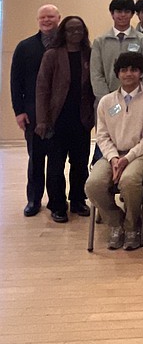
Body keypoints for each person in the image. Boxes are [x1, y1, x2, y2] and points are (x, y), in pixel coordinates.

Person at [85, 52, 143, 251]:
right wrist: (113, 159)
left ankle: (132, 226)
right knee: (93, 185)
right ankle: (115, 221)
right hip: (111, 154)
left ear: (141, 73)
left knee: (129, 181)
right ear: (118, 74)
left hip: (140, 154)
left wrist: (127, 158)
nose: (129, 74)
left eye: (134, 70)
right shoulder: (106, 102)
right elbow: (101, 135)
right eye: (124, 70)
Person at [35, 16, 95, 223]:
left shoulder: (89, 54)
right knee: (55, 165)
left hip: (82, 119)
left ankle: (78, 200)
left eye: (79, 30)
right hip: (57, 119)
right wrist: (42, 121)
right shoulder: (52, 55)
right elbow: (42, 89)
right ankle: (57, 204)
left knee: (80, 163)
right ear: (63, 32)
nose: (75, 34)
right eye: (71, 30)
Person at [10, 3, 61, 216]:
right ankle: (33, 200)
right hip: (32, 113)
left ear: (59, 18)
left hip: (59, 113)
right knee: (36, 159)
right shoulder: (25, 47)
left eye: (50, 16)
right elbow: (15, 81)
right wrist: (19, 111)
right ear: (38, 21)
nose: (46, 20)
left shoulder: (66, 46)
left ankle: (56, 201)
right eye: (43, 18)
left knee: (57, 160)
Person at [90, 0, 143, 103]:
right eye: (119, 11)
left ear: (132, 14)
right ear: (112, 14)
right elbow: (96, 74)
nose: (123, 15)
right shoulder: (100, 41)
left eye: (127, 11)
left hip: (136, 99)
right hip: (106, 100)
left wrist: (133, 95)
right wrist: (107, 99)